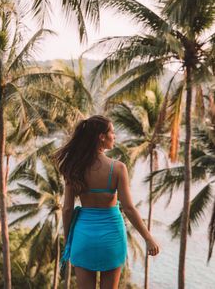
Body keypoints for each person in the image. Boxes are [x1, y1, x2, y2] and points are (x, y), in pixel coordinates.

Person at [54, 115, 159, 289]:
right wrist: (148, 238)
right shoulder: (117, 168)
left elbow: (66, 210)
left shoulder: (73, 167)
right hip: (111, 237)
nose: (115, 136)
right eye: (112, 132)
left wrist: (69, 242)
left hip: (83, 236)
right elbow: (129, 208)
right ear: (101, 136)